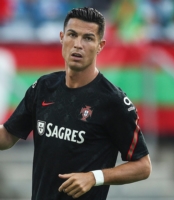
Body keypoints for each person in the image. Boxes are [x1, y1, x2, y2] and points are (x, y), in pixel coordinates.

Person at [0, 7, 152, 200]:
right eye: (72, 35)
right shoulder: (44, 87)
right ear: (62, 37)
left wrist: (94, 177)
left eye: (88, 38)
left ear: (100, 45)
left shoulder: (113, 101)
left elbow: (143, 166)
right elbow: (7, 136)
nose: (78, 44)